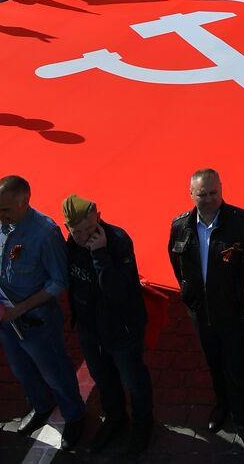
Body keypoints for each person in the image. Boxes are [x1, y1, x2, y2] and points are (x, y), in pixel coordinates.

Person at [168, 168, 244, 463]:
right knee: (213, 362)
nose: (209, 199)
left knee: (237, 366)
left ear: (222, 189)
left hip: (233, 312)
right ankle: (221, 405)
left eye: (213, 193)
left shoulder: (242, 222)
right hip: (201, 312)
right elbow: (177, 264)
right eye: (202, 194)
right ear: (191, 195)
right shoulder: (180, 225)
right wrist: (191, 295)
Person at [0, 175, 86, 447]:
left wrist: (21, 308)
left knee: (54, 371)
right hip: (7, 316)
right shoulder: (5, 220)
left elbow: (58, 282)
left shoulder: (45, 233)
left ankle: (74, 415)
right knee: (21, 369)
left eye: (5, 209)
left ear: (24, 202)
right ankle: (41, 405)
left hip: (36, 320)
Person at [62, 194, 153, 454]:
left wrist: (99, 253)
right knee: (103, 377)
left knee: (133, 380)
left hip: (122, 328)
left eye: (90, 228)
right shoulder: (71, 243)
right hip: (90, 329)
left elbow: (117, 291)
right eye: (77, 231)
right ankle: (115, 417)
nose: (84, 236)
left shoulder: (118, 241)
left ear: (98, 216)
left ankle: (143, 423)